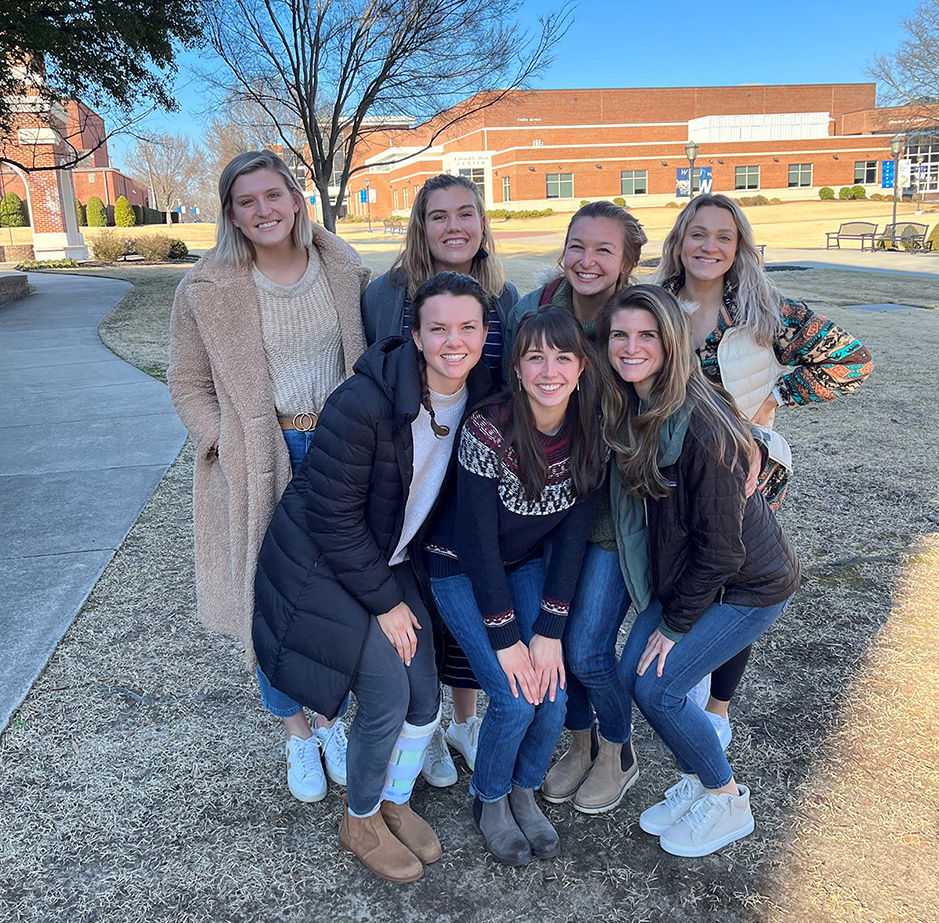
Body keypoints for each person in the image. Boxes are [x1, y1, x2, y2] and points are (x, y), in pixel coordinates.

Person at [253, 272, 492, 883]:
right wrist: (386, 603)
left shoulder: (481, 399)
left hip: (392, 557)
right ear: (414, 335)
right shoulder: (365, 401)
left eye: (468, 327)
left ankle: (394, 798)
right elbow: (332, 518)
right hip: (322, 561)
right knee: (386, 694)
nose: (453, 341)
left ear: (485, 333)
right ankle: (359, 819)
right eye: (438, 328)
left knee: (424, 696)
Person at [168, 150, 368, 805]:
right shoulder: (207, 286)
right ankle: (297, 734)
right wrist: (222, 440)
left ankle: (333, 719)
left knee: (338, 596)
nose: (262, 211)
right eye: (245, 201)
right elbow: (187, 382)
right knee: (272, 604)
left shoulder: (343, 268)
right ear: (231, 212)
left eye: (272, 195)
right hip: (261, 456)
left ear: (295, 196)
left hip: (338, 450)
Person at [652, 193, 872, 746]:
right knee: (685, 573)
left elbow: (853, 360)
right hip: (670, 472)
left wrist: (776, 394)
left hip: (746, 471)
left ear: (739, 247)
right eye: (697, 233)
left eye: (724, 236)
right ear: (679, 241)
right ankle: (683, 685)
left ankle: (717, 711)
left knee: (738, 584)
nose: (710, 246)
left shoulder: (766, 310)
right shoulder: (654, 305)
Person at [597, 285, 800, 857]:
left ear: (670, 345)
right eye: (620, 335)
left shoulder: (703, 433)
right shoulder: (637, 404)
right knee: (632, 680)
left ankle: (726, 796)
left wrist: (674, 625)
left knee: (658, 689)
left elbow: (722, 552)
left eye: (647, 336)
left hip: (745, 587)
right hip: (691, 578)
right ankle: (696, 777)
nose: (632, 347)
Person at [425, 306, 606, 866]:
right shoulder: (489, 427)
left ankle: (524, 790)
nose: (549, 370)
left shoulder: (590, 431)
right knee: (510, 697)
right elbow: (476, 544)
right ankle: (490, 799)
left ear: (581, 369)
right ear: (518, 370)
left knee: (550, 693)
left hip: (524, 564)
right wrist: (508, 640)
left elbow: (573, 535)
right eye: (535, 357)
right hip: (459, 566)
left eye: (563, 357)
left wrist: (549, 631)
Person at [362, 173, 519, 787]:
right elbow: (372, 375)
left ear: (482, 224)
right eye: (438, 216)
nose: (454, 226)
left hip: (478, 470)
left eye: (466, 213)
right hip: (410, 466)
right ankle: (417, 722)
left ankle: (463, 718)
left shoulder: (506, 299)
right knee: (415, 594)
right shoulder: (385, 295)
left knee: (470, 594)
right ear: (419, 226)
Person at [506, 202, 651, 814]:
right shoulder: (535, 310)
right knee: (555, 641)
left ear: (626, 263)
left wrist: (754, 433)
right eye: (577, 246)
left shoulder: (639, 322)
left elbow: (679, 397)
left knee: (589, 645)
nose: (587, 261)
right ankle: (580, 740)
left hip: (613, 515)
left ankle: (618, 748)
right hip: (548, 506)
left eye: (604, 250)